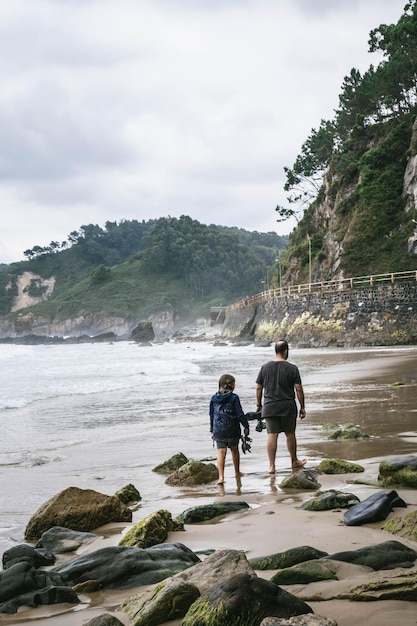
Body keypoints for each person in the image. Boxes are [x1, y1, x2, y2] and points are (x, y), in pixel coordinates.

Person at [255, 340, 306, 473]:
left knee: (272, 435)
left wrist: (259, 405)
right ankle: (294, 461)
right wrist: (302, 406)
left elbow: (258, 388)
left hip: (270, 407)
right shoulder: (292, 368)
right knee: (290, 434)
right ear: (286, 351)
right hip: (287, 406)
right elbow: (299, 389)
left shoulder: (265, 367)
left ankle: (271, 466)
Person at [209, 373, 250, 485]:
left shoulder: (214, 398)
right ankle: (237, 472)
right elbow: (240, 414)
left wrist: (212, 428)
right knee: (234, 450)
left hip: (218, 429)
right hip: (232, 428)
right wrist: (246, 425)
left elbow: (211, 415)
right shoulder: (234, 397)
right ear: (231, 385)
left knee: (221, 452)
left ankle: (221, 477)